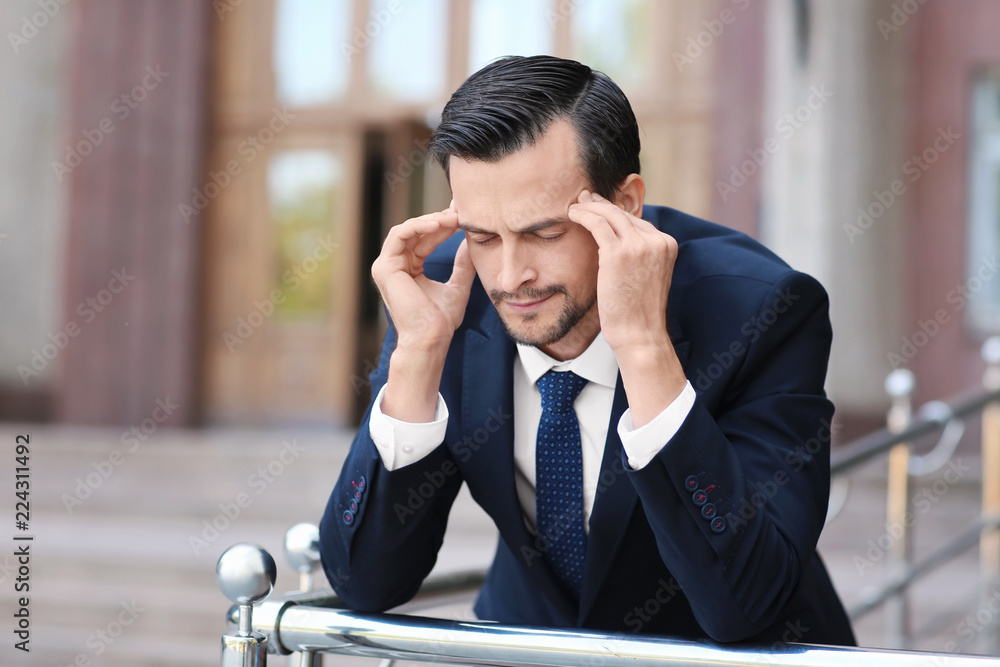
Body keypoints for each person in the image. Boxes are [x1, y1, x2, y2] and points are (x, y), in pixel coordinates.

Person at [319, 55, 855, 646]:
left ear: (624, 204)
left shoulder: (762, 310)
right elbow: (364, 584)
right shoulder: (446, 294)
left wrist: (646, 350)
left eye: (544, 233)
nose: (510, 276)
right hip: (531, 648)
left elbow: (747, 605)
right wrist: (418, 357)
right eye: (482, 236)